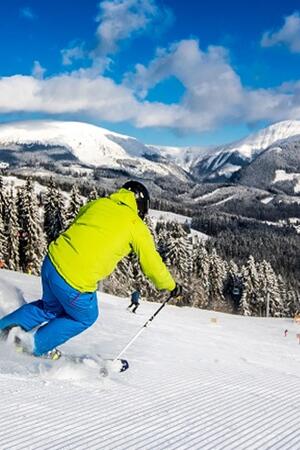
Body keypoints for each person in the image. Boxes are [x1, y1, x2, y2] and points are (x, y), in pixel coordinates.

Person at [0, 180, 182, 359]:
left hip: (52, 262)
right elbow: (152, 263)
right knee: (85, 316)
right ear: (141, 205)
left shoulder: (99, 203)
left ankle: (2, 331)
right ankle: (33, 347)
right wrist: (171, 285)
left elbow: (81, 225)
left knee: (49, 308)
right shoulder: (135, 225)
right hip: (74, 279)